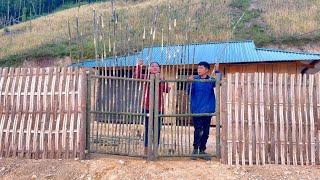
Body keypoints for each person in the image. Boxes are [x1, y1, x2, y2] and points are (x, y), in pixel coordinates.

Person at [133, 59, 170, 156]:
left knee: (157, 129)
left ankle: (155, 150)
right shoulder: (146, 77)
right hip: (147, 107)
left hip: (159, 108)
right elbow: (136, 77)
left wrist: (164, 81)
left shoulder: (161, 78)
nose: (154, 67)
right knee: (147, 129)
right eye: (152, 66)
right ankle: (146, 150)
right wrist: (139, 66)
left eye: (157, 66)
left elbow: (166, 90)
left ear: (159, 69)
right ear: (149, 69)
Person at [188, 61, 220, 160]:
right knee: (198, 130)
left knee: (206, 131)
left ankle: (202, 150)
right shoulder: (194, 79)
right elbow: (188, 91)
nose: (199, 70)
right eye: (198, 68)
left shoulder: (211, 80)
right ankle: (195, 149)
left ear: (206, 70)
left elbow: (220, 81)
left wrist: (217, 70)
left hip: (208, 109)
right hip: (196, 108)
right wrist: (189, 82)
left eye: (201, 68)